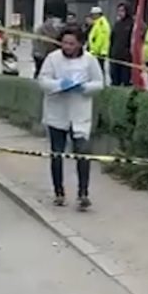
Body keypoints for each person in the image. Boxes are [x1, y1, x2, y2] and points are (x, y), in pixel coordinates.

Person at [37, 26, 104, 209]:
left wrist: (84, 88)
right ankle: (59, 192)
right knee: (57, 153)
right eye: (64, 43)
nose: (67, 47)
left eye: (71, 44)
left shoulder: (89, 60)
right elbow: (43, 81)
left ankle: (83, 193)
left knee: (82, 153)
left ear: (80, 44)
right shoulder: (53, 59)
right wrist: (60, 85)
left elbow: (99, 83)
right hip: (57, 113)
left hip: (80, 113)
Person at [108, 2, 134, 86]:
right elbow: (112, 39)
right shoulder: (117, 24)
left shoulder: (132, 24)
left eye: (122, 10)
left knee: (126, 80)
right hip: (115, 56)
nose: (120, 13)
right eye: (118, 11)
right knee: (115, 80)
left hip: (126, 58)